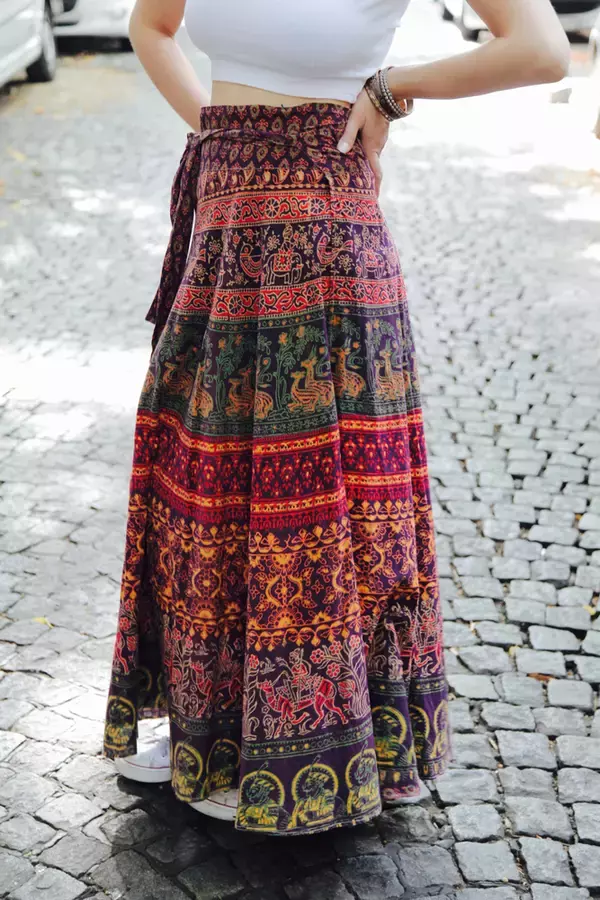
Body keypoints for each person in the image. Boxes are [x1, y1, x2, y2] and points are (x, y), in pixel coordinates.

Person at [102, 0, 570, 835]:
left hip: (329, 235)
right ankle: (210, 729)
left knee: (323, 496)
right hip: (223, 228)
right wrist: (217, 134)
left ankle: (334, 744)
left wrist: (393, 88)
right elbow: (152, 27)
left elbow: (541, 49)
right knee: (205, 483)